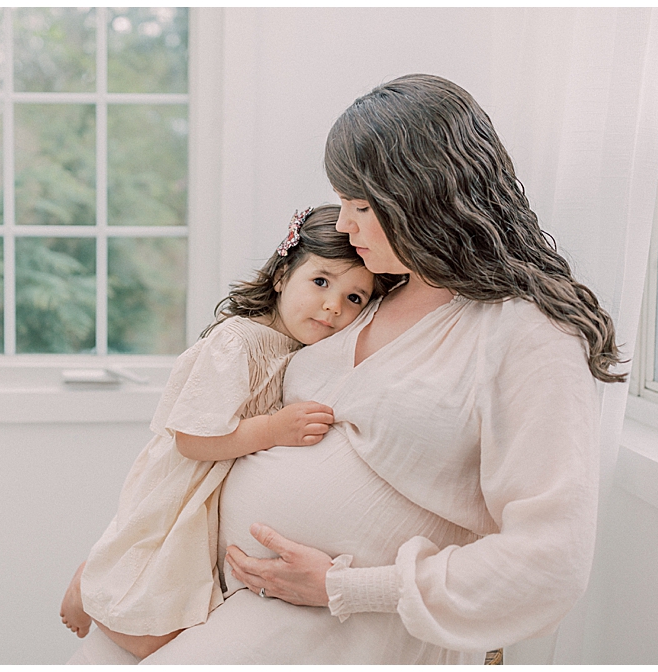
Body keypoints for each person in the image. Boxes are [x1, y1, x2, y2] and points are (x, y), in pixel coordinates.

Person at [68, 74, 625, 665]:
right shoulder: (370, 298)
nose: (342, 226)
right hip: (215, 598)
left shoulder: (527, 334)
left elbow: (550, 561)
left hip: (345, 629)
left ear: (424, 200)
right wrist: (125, 556)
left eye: (361, 207)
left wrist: (345, 587)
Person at [60, 205, 386, 659]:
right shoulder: (238, 342)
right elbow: (191, 439)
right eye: (320, 282)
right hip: (185, 485)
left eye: (355, 298)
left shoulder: (302, 349)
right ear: (280, 277)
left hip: (215, 491)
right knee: (149, 634)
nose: (333, 305)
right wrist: (272, 430)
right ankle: (89, 580)